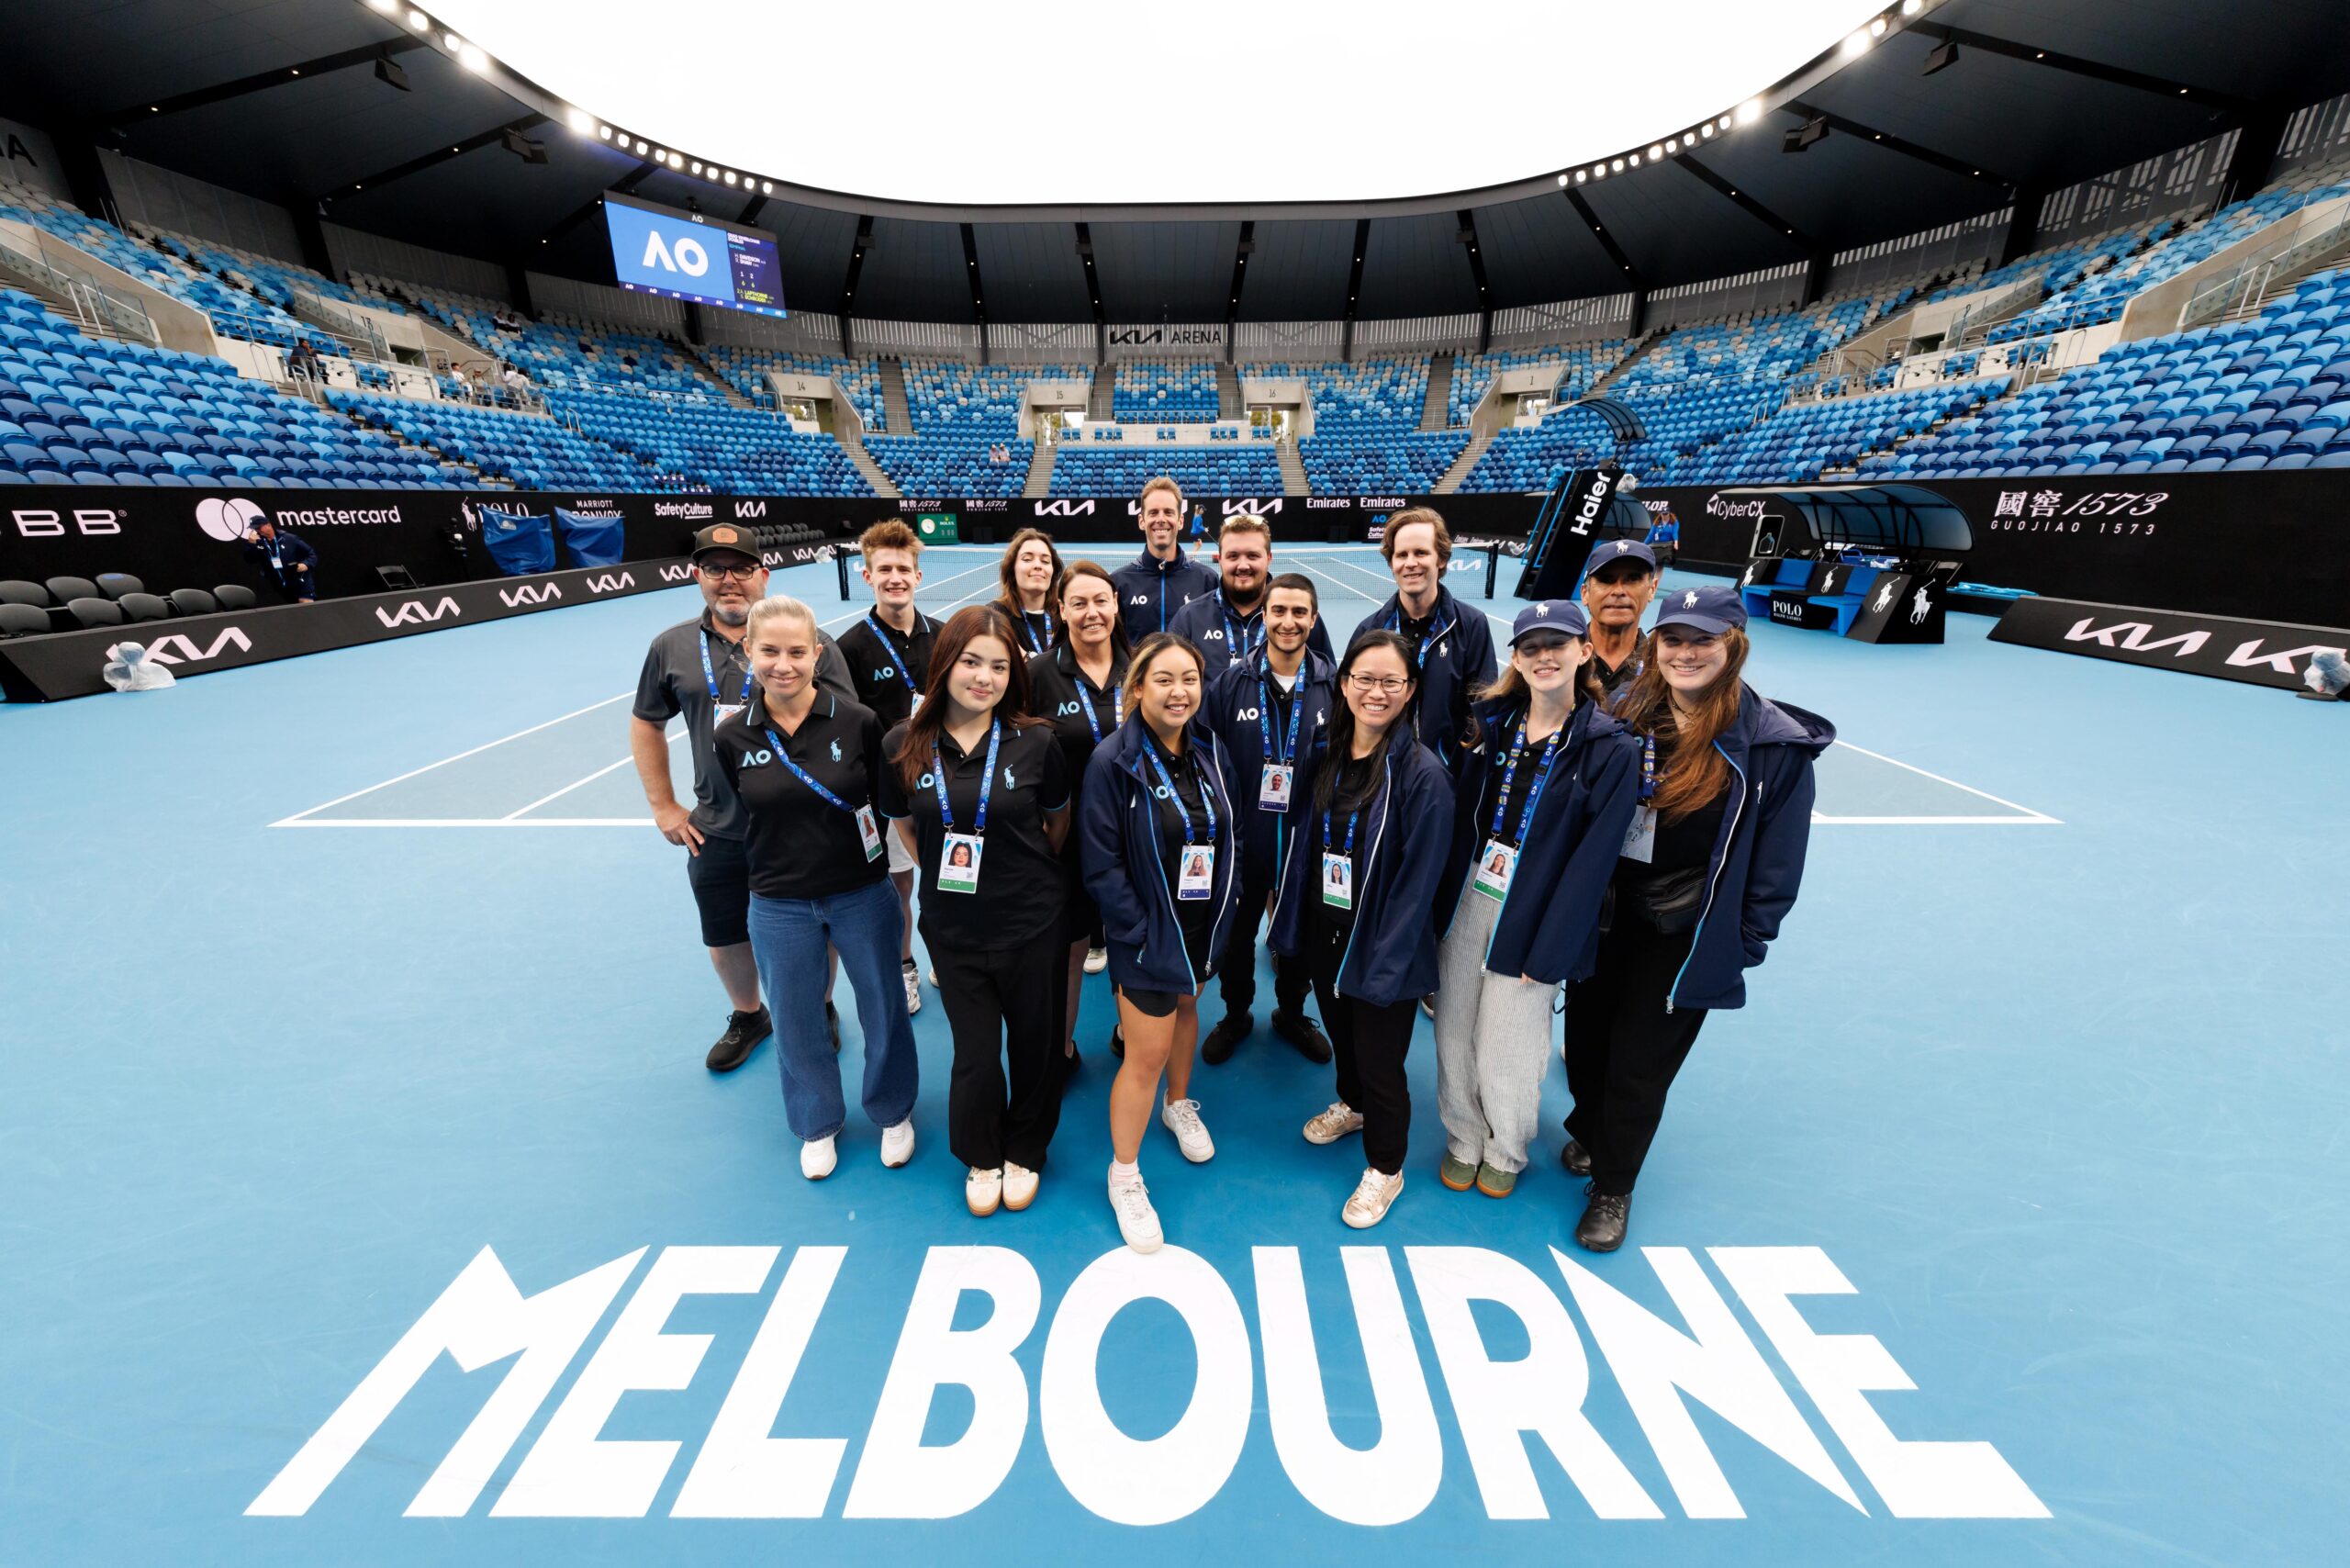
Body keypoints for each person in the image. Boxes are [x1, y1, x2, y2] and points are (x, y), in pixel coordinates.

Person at [1561, 585, 1832, 1250]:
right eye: (1674, 639)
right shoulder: (1623, 713)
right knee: (1588, 1045)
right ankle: (1590, 1135)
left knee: (1639, 1064)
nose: (1685, 653)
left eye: (1702, 641)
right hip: (1606, 914)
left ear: (1732, 646)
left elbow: (1778, 864)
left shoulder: (1772, 747)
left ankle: (1614, 1188)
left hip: (1683, 932)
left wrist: (1743, 942)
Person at [1431, 599, 1640, 1200]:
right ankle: (1464, 1134)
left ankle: (1506, 1145)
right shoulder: (1488, 725)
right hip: (1474, 887)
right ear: (1516, 659)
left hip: (1539, 901)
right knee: (1454, 1024)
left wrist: (1553, 946)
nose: (1544, 656)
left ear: (1584, 651)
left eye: (1558, 644)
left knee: (1509, 1037)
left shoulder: (1611, 748)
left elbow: (1594, 862)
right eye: (1531, 647)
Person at [632, 524, 856, 1071]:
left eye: (740, 569)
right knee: (726, 931)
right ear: (698, 576)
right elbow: (646, 724)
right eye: (715, 569)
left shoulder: (809, 643)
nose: (728, 580)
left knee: (816, 925)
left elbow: (846, 725)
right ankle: (749, 1013)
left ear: (763, 575)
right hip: (719, 826)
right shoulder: (671, 647)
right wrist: (664, 806)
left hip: (801, 826)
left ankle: (821, 1004)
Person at [715, 596, 920, 1180]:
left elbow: (886, 805)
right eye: (770, 651)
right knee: (797, 1013)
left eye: (797, 651)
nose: (784, 664)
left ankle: (892, 1111)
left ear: (817, 654)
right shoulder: (732, 738)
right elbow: (738, 816)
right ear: (748, 651)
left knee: (882, 1005)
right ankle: (816, 1122)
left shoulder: (857, 721)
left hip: (861, 893)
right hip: (779, 903)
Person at [877, 606, 1071, 1217]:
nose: (984, 678)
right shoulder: (902, 744)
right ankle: (982, 1155)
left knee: (1037, 1047)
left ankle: (1027, 1149)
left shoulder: (1038, 741)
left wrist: (1017, 876)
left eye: (999, 665)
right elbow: (906, 828)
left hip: (1032, 925)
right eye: (970, 663)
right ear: (945, 665)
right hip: (955, 932)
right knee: (976, 1053)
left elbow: (1056, 825)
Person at [1268, 631, 1453, 1229]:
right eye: (1363, 679)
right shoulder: (1326, 750)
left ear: (1410, 690)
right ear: (1344, 684)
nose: (1375, 692)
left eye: (1390, 681)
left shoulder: (1424, 775)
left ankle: (1386, 1168)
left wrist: (1388, 959)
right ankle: (1351, 1106)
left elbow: (1422, 883)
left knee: (1382, 1062)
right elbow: (1304, 843)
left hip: (1383, 945)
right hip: (1329, 929)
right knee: (1344, 1038)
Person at [1078, 633, 1239, 1253]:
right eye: (1165, 679)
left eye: (1190, 679)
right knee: (1143, 1055)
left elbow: (1233, 834)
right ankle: (1124, 1173)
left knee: (1189, 1007)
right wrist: (1142, 935)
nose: (1180, 692)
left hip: (1199, 926)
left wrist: (1226, 906)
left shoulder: (1211, 750)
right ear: (1138, 686)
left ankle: (1179, 1105)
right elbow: (1101, 863)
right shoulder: (1111, 761)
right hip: (1147, 937)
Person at [1198, 571, 1335, 1066]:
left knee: (1300, 935)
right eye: (1279, 611)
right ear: (1264, 617)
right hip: (1245, 842)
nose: (1289, 622)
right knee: (1237, 937)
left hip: (1305, 845)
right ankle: (1236, 1014)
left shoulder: (1333, 686)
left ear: (1313, 619)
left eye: (1300, 612)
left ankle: (1292, 1013)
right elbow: (1204, 759)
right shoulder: (1230, 684)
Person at [1027, 559, 1129, 1065]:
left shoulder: (1139, 667)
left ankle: (1131, 1036)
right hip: (1065, 839)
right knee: (1069, 947)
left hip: (1132, 837)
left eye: (1101, 601)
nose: (1092, 613)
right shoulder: (1037, 674)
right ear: (1061, 610)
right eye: (1080, 603)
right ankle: (1062, 1050)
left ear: (1115, 605)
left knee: (1131, 942)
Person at [835, 520, 938, 1016]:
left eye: (903, 568)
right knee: (900, 883)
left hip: (945, 785)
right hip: (886, 792)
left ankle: (947, 952)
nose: (894, 577)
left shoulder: (942, 635)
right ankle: (905, 968)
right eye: (884, 569)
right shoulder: (849, 647)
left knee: (947, 872)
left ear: (918, 575)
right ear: (867, 575)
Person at [1348, 507, 1495, 776]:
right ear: (1391, 562)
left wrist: (1452, 767)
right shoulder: (1370, 630)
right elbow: (1349, 709)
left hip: (1445, 778)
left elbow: (1482, 711)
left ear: (1441, 559)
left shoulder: (1472, 626)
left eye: (1421, 553)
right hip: (1379, 778)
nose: (1410, 563)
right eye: (1401, 554)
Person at [1169, 513, 1336, 673]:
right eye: (1233, 556)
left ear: (1269, 559)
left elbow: (1327, 681)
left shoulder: (1300, 617)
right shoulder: (1189, 618)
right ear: (1220, 560)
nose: (1243, 565)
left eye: (1252, 556)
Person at [1110, 476, 1217, 641]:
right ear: (1141, 521)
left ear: (1180, 521)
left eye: (1168, 512)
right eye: (1153, 513)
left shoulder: (1207, 579)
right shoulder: (1119, 582)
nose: (1161, 519)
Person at [1580, 538, 1661, 696]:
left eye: (1633, 579)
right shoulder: (1558, 658)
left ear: (1652, 589)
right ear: (1585, 593)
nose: (1618, 591)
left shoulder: (1664, 665)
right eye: (1606, 580)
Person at [993, 528, 1064, 659]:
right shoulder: (995, 615)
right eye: (1027, 559)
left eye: (1045, 561)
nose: (1038, 565)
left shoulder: (1064, 614)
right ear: (1012, 569)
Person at [240, 518, 318, 602]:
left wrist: (306, 564)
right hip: (280, 585)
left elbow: (311, 553)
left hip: (300, 581)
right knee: (293, 612)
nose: (257, 531)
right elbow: (250, 560)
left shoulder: (289, 539)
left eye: (259, 527)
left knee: (306, 607)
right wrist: (251, 544)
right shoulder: (258, 542)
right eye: (255, 529)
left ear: (268, 525)